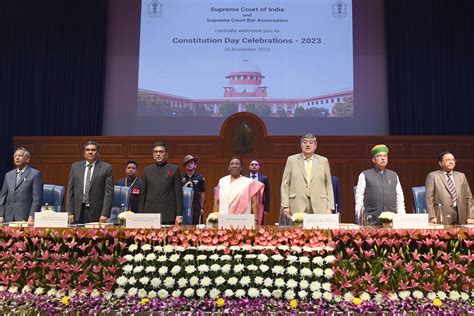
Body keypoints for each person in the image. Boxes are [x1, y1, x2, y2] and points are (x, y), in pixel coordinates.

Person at [281, 133, 334, 219]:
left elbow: (328, 185)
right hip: (297, 204)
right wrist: (285, 205)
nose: (308, 145)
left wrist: (330, 207)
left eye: (311, 142)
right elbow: (285, 184)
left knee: (319, 231)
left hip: (320, 205)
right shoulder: (292, 160)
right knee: (298, 231)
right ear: (301, 145)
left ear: (315, 146)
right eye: (305, 142)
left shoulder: (323, 161)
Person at [355, 144, 405, 225]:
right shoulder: (364, 175)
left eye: (385, 156)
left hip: (392, 222)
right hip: (372, 221)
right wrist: (359, 218)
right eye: (379, 156)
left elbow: (400, 199)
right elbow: (359, 198)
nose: (382, 158)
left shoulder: (394, 175)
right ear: (373, 160)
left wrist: (402, 217)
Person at [67, 141, 114, 224]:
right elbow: (70, 190)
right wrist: (70, 212)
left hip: (97, 212)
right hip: (78, 211)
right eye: (87, 150)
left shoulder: (106, 168)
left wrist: (105, 214)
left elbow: (109, 193)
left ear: (97, 152)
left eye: (93, 150)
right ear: (84, 152)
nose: (90, 152)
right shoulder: (75, 167)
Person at [139, 142, 183, 225]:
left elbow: (178, 194)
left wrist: (179, 214)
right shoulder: (147, 170)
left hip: (168, 213)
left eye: (161, 152)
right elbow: (143, 195)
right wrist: (141, 214)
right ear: (153, 155)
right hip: (149, 213)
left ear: (166, 154)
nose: (158, 154)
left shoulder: (174, 169)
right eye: (156, 152)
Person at [425, 151, 474, 225]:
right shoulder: (433, 176)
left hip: (461, 214)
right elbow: (429, 198)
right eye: (448, 160)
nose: (451, 162)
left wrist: (471, 216)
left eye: (453, 160)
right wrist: (432, 216)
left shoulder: (461, 176)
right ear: (440, 163)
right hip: (441, 215)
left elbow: (469, 197)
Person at [214, 157, 264, 224]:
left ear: (241, 167)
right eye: (232, 164)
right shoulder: (222, 181)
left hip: (243, 220)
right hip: (224, 219)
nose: (234, 166)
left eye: (237, 164)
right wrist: (214, 218)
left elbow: (254, 203)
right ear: (228, 167)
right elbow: (216, 201)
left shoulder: (249, 182)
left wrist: (255, 219)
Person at [0, 147, 43, 223]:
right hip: (8, 216)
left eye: (20, 156)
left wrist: (32, 216)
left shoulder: (35, 174)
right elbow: (3, 197)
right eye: (15, 156)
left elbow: (37, 198)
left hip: (25, 217)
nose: (17, 157)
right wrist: (1, 215)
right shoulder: (8, 175)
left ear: (27, 159)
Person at [181, 155, 205, 224]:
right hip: (184, 206)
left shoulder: (200, 177)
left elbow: (202, 193)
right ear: (185, 166)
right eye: (187, 163)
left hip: (196, 206)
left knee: (196, 225)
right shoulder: (181, 177)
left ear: (195, 165)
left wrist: (201, 207)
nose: (189, 165)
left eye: (191, 163)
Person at [248, 159, 270, 224]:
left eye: (256, 164)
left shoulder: (264, 178)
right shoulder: (244, 178)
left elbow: (267, 194)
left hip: (260, 205)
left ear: (259, 167)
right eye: (252, 164)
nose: (254, 166)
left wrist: (266, 209)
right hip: (247, 205)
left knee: (260, 223)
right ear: (249, 167)